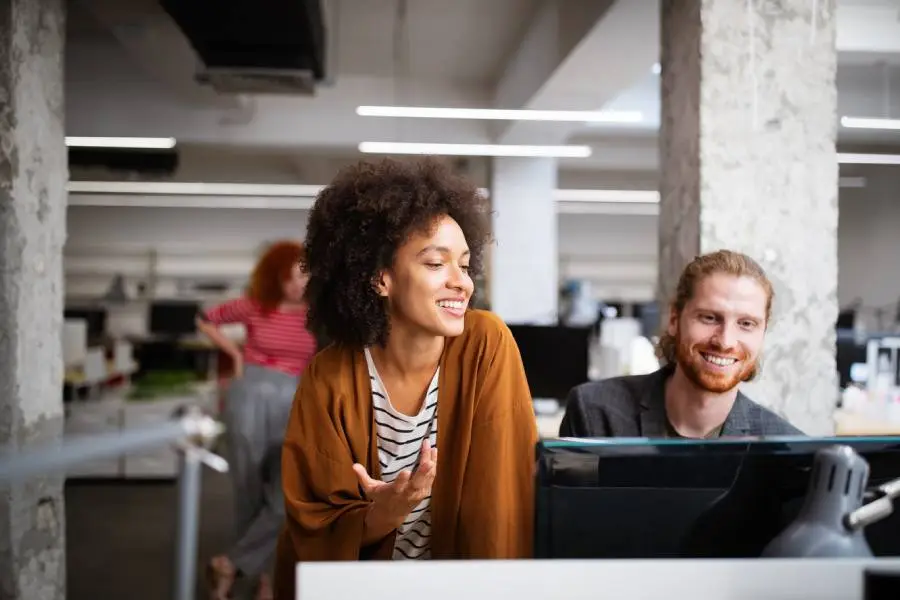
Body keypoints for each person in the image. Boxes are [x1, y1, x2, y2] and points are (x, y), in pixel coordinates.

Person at [272, 158, 538, 599]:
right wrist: (389, 510)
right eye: (436, 264)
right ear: (381, 278)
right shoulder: (331, 376)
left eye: (466, 265)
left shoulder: (485, 344)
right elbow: (317, 528)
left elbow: (502, 508)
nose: (461, 283)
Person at [560, 249, 803, 439]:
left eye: (746, 324)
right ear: (675, 320)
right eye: (709, 317)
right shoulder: (595, 414)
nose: (726, 341)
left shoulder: (784, 447)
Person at [197, 240, 317, 600]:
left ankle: (230, 564)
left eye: (304, 276)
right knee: (248, 491)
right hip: (250, 396)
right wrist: (234, 353)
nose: (298, 285)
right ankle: (262, 577)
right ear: (274, 279)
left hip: (296, 402)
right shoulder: (255, 306)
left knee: (287, 497)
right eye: (290, 278)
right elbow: (206, 319)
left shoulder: (320, 315)